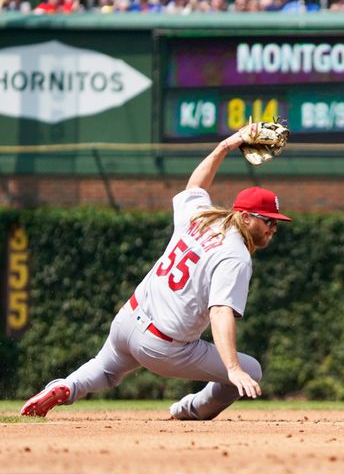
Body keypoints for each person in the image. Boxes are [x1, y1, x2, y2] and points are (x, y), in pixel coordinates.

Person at [20, 128, 292, 420]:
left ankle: (65, 386)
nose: (273, 228)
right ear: (246, 217)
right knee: (250, 371)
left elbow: (194, 187)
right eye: (268, 221)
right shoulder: (235, 255)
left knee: (106, 368)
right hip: (164, 347)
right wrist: (234, 369)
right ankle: (187, 410)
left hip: (127, 319)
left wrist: (226, 145)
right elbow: (220, 312)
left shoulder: (202, 218)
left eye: (276, 223)